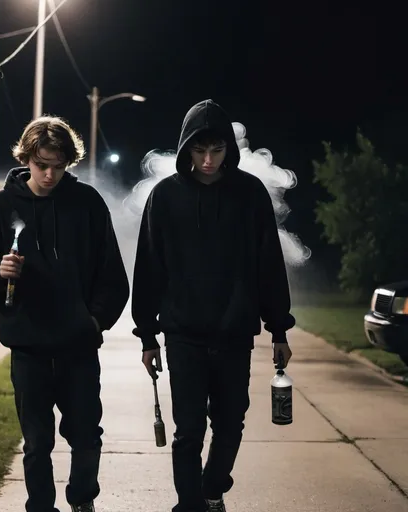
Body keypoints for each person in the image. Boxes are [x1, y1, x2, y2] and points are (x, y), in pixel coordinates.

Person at [131, 99, 295, 512]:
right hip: (183, 334)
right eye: (199, 151)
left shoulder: (249, 194)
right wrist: (147, 336)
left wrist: (279, 328)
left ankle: (211, 489)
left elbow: (268, 264)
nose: (207, 160)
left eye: (216, 151)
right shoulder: (165, 196)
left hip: (235, 332)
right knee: (187, 431)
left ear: (229, 150)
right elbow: (149, 266)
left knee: (230, 424)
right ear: (186, 148)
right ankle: (190, 505)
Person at [0, 116, 129, 512]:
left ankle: (82, 502)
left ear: (68, 161)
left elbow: (113, 276)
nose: (50, 174)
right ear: (27, 159)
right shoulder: (3, 206)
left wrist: (94, 322)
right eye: (42, 165)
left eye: (59, 165)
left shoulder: (87, 203)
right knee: (37, 443)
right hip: (29, 349)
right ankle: (40, 507)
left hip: (78, 349)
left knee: (87, 436)